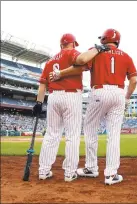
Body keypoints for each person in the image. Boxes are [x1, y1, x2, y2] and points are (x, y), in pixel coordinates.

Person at [49, 29, 137, 185]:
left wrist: (60, 73)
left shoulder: (96, 52)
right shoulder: (127, 56)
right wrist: (127, 97)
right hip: (119, 93)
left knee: (90, 130)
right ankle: (111, 175)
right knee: (114, 135)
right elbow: (134, 81)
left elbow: (79, 65)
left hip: (99, 91)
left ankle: (91, 167)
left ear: (104, 39)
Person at [33, 33, 110, 182]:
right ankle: (69, 173)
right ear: (73, 44)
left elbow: (42, 84)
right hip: (71, 96)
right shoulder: (72, 52)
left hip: (53, 97)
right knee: (72, 136)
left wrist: (38, 102)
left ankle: (43, 171)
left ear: (61, 44)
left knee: (51, 134)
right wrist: (96, 49)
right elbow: (81, 60)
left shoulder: (50, 61)